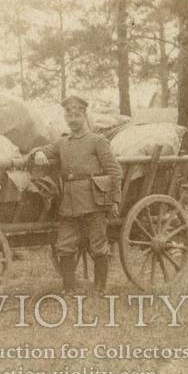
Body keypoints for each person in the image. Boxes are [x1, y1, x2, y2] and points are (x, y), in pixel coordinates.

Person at [30, 95, 122, 295]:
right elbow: (41, 150)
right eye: (69, 115)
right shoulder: (63, 142)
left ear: (84, 115)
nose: (73, 119)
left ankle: (99, 288)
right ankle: (69, 289)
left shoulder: (97, 141)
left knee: (98, 245)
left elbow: (114, 171)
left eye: (77, 115)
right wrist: (37, 153)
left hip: (94, 201)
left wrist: (114, 200)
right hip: (69, 204)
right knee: (64, 246)